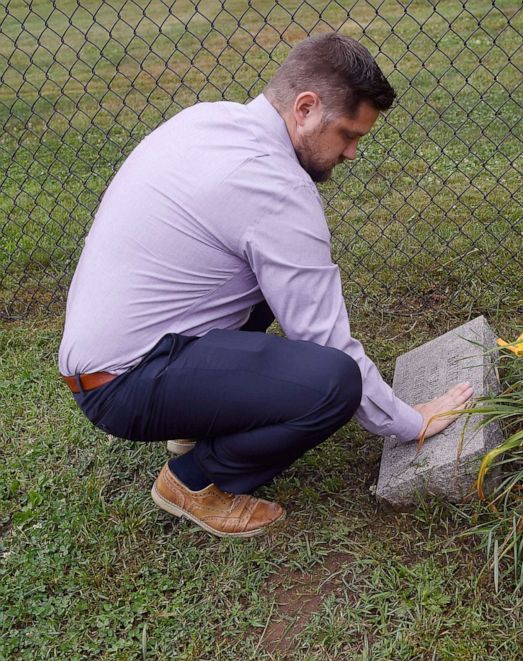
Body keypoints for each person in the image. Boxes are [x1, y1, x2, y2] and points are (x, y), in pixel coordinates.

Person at [57, 32, 473, 538]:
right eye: (347, 134)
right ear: (305, 107)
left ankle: (192, 425)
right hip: (124, 382)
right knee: (334, 382)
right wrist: (410, 421)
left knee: (258, 284)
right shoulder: (275, 188)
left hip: (111, 357)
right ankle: (193, 482)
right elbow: (324, 338)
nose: (353, 154)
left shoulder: (208, 119)